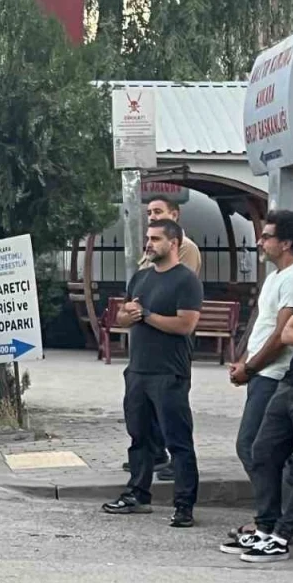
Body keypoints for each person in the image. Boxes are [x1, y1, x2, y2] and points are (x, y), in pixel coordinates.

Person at [102, 218, 203, 527]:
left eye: (156, 239)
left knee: (178, 441)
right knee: (140, 438)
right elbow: (122, 317)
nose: (149, 244)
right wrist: (129, 315)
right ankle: (137, 494)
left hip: (169, 373)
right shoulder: (141, 278)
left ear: (173, 243)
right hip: (138, 370)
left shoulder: (186, 280)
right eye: (148, 238)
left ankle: (184, 505)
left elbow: (185, 324)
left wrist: (146, 315)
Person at [221, 211, 293, 550]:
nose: (260, 241)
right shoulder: (275, 276)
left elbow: (282, 334)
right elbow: (264, 323)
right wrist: (243, 360)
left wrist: (252, 368)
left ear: (286, 243)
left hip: (276, 375)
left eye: (267, 236)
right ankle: (274, 518)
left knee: (255, 447)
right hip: (263, 374)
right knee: (264, 450)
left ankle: (279, 520)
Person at [120, 195, 203, 477]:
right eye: (149, 213)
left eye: (158, 211)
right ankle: (141, 482)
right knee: (140, 427)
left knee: (174, 428)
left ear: (174, 215)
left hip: (169, 361)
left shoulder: (185, 253)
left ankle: (182, 489)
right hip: (141, 362)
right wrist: (130, 313)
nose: (152, 216)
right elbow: (125, 311)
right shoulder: (145, 269)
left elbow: (181, 309)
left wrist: (145, 313)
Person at [232, 304, 293, 562]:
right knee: (262, 451)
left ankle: (282, 537)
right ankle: (265, 527)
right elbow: (287, 332)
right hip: (291, 383)